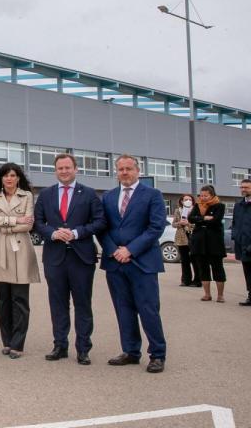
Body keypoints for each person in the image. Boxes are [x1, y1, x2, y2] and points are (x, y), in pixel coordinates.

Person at [33, 153, 106, 365]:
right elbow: (38, 222)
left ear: (75, 169)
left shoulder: (89, 194)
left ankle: (83, 348)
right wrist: (53, 233)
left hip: (81, 257)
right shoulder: (46, 195)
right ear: (55, 171)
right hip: (54, 257)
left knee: (82, 304)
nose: (64, 171)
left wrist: (76, 232)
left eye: (67, 168)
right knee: (57, 303)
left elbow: (100, 221)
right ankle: (60, 345)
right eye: (60, 168)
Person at [98, 154, 167, 373]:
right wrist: (114, 251)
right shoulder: (108, 197)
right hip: (115, 264)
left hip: (143, 262)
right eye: (121, 169)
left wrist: (130, 250)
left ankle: (157, 354)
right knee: (123, 309)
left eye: (129, 168)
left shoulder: (153, 195)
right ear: (116, 172)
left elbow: (155, 228)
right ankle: (130, 351)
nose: (125, 173)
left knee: (148, 310)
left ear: (138, 170)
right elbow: (102, 227)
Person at [0, 163, 37, 359]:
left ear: (18, 178)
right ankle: (6, 341)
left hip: (20, 249)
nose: (9, 179)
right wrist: (15, 221)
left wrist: (3, 223)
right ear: (0, 178)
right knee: (3, 299)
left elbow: (28, 224)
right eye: (5, 175)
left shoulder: (27, 196)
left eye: (13, 175)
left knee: (20, 299)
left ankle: (18, 343)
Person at [188, 185, 227, 303]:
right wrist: (204, 218)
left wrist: (200, 219)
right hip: (199, 241)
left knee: (217, 268)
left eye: (206, 195)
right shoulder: (197, 206)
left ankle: (220, 295)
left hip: (214, 242)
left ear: (212, 195)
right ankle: (207, 294)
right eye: (201, 195)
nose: (203, 198)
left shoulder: (219, 206)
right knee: (203, 268)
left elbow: (216, 220)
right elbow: (191, 218)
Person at [171, 194, 198, 287]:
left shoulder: (196, 210)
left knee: (195, 259)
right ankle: (185, 280)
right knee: (184, 259)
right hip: (181, 237)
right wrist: (180, 223)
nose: (187, 201)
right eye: (185, 199)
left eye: (189, 199)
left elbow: (199, 223)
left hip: (193, 237)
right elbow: (173, 224)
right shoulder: (178, 210)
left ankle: (197, 280)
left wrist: (189, 224)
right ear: (182, 201)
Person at [233, 179, 251, 306]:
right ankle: (250, 296)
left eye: (246, 187)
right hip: (242, 244)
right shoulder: (238, 205)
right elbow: (235, 223)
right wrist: (235, 236)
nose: (243, 189)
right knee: (247, 272)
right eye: (242, 187)